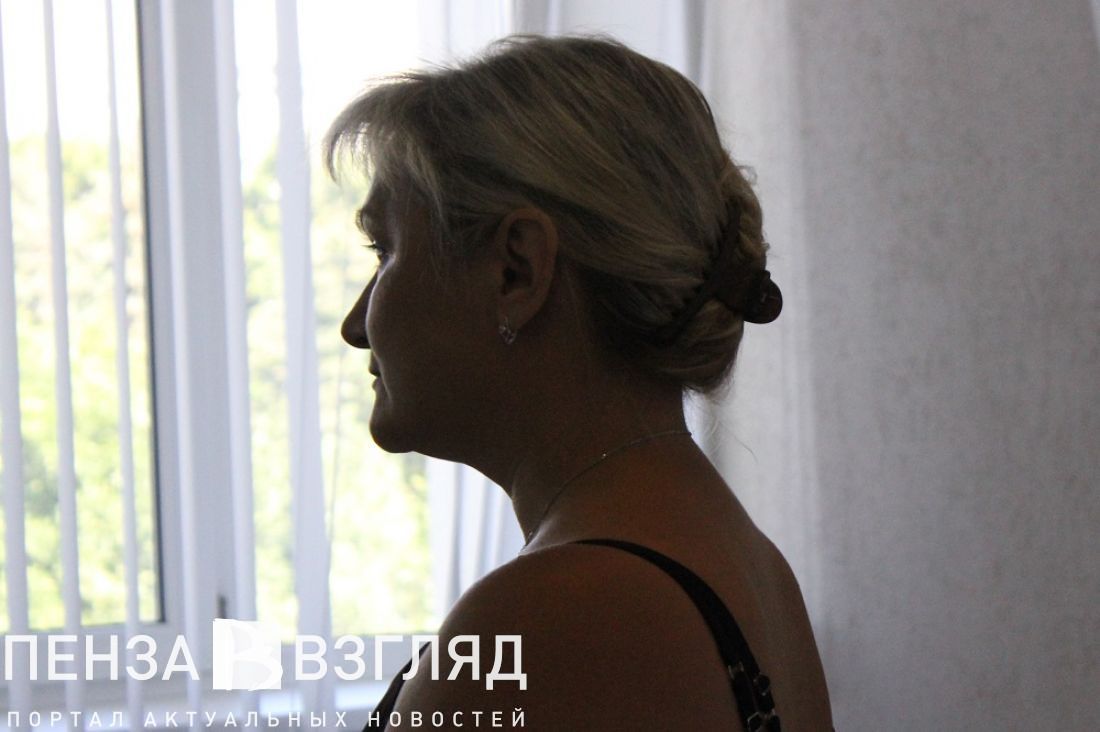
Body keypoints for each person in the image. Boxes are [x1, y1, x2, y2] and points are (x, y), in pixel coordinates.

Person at [325, 34, 833, 731]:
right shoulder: (750, 566)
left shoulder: (556, 613)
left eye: (386, 250)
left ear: (517, 270)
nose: (355, 324)